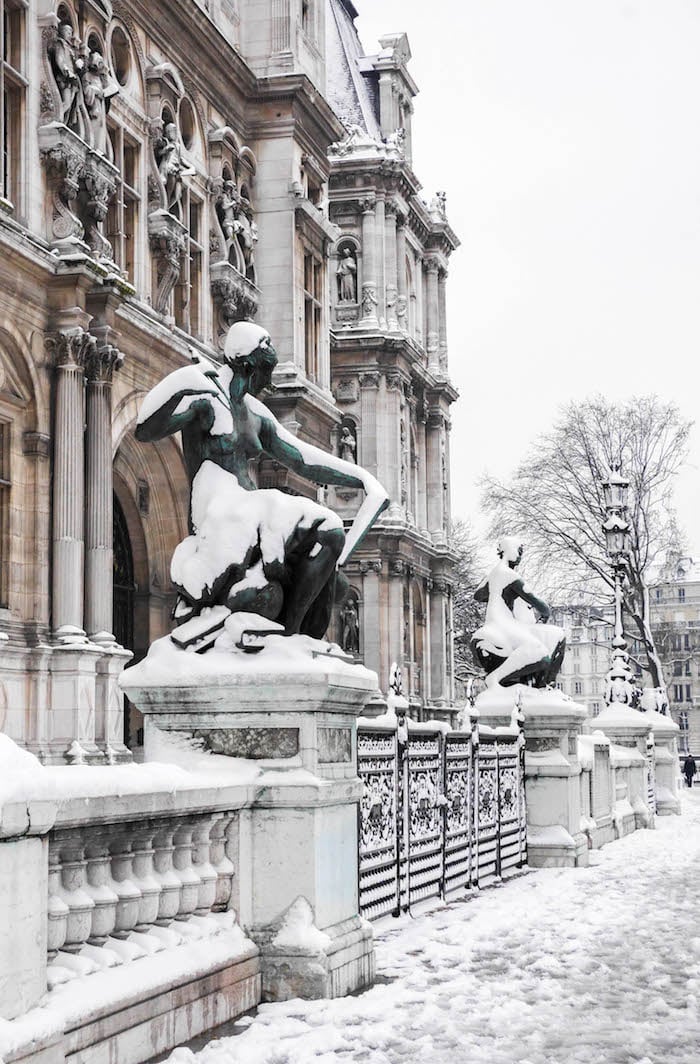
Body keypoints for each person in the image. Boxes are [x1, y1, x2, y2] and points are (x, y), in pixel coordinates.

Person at [136, 321, 389, 639]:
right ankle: (288, 634)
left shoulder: (255, 413)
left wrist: (361, 478)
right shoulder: (206, 399)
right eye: (264, 374)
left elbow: (301, 458)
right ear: (247, 366)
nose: (267, 383)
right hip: (218, 515)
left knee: (330, 563)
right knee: (324, 526)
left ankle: (292, 638)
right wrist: (182, 382)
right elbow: (146, 429)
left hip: (252, 510)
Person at [471, 537, 566, 688]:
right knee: (541, 655)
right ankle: (497, 678)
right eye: (519, 552)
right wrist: (545, 614)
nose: (521, 556)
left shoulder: (495, 574)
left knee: (555, 635)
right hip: (503, 625)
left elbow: (478, 595)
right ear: (510, 551)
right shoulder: (510, 576)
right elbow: (541, 606)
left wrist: (494, 589)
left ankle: (542, 687)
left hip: (499, 623)